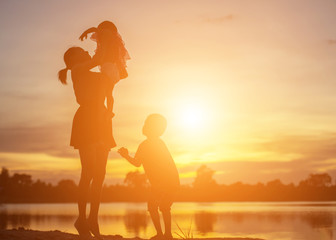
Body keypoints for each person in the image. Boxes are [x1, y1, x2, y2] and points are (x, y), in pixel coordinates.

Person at [58, 47, 116, 239]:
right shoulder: (77, 70)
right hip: (86, 121)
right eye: (81, 52)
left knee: (100, 175)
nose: (85, 52)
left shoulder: (98, 75)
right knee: (89, 171)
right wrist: (103, 39)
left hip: (103, 122)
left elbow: (113, 83)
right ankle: (81, 218)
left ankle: (93, 219)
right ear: (72, 60)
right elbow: (98, 57)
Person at [118, 114, 180, 240]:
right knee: (163, 207)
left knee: (155, 206)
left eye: (146, 124)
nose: (144, 126)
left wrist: (125, 155)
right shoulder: (157, 143)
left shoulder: (145, 145)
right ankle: (166, 235)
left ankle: (163, 234)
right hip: (169, 181)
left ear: (152, 128)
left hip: (164, 182)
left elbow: (137, 163)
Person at [79, 20, 130, 120]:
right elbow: (116, 59)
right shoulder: (113, 42)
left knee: (104, 92)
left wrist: (84, 33)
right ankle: (110, 111)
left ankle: (104, 110)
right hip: (112, 70)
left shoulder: (106, 34)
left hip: (108, 68)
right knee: (109, 93)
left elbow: (94, 29)